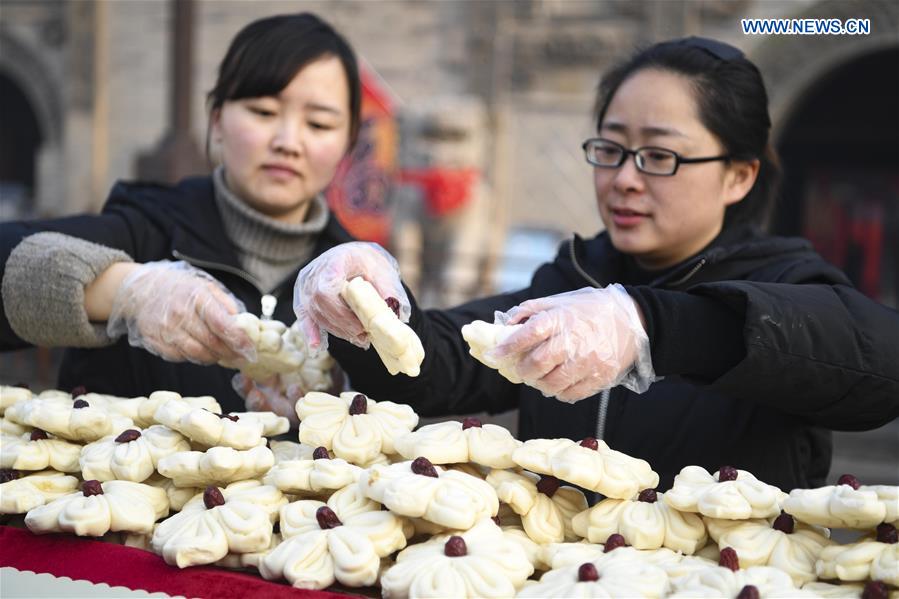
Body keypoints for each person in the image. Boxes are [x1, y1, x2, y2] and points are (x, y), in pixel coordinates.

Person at [293, 36, 899, 492]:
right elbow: (441, 362)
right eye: (610, 149)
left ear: (738, 175)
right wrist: (369, 305)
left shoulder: (785, 280)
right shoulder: (571, 280)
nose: (625, 180)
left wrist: (651, 325)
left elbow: (875, 362)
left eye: (659, 155)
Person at [0, 13, 360, 417]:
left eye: (318, 123)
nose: (287, 142)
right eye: (262, 112)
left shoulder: (358, 283)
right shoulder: (145, 229)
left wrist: (340, 396)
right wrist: (126, 291)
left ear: (348, 141)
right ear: (217, 120)